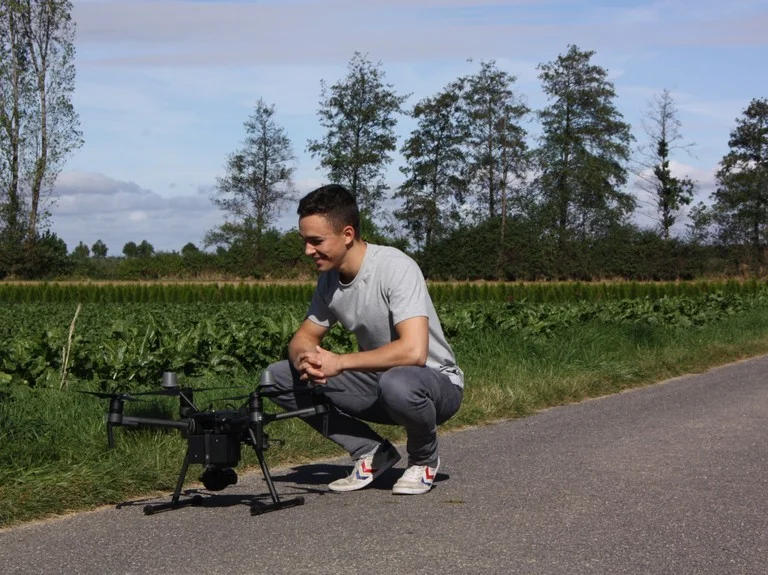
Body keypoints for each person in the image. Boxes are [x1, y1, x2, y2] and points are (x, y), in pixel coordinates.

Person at [266, 184, 464, 495]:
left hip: (435, 386)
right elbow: (303, 337)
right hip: (380, 384)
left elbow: (414, 351)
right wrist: (306, 359)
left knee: (397, 382)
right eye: (304, 241)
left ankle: (423, 459)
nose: (307, 251)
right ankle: (371, 452)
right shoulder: (329, 281)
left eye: (316, 241)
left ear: (347, 234)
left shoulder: (395, 267)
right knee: (277, 378)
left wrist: (340, 362)